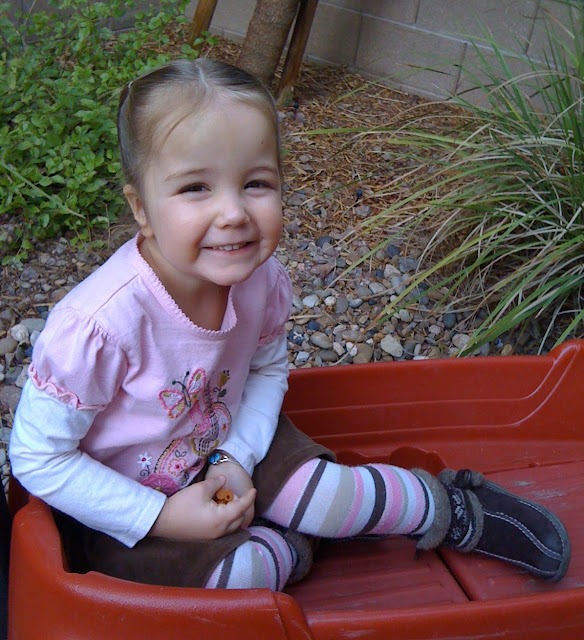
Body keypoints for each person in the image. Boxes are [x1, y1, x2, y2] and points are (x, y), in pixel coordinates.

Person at [9, 58, 570, 590]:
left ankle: (446, 506)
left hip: (230, 445)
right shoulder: (101, 324)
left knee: (325, 495)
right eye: (195, 187)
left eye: (256, 183)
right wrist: (160, 516)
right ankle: (296, 542)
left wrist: (235, 458)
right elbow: (38, 457)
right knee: (240, 576)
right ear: (141, 208)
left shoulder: (260, 280)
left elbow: (265, 371)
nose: (234, 213)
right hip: (129, 501)